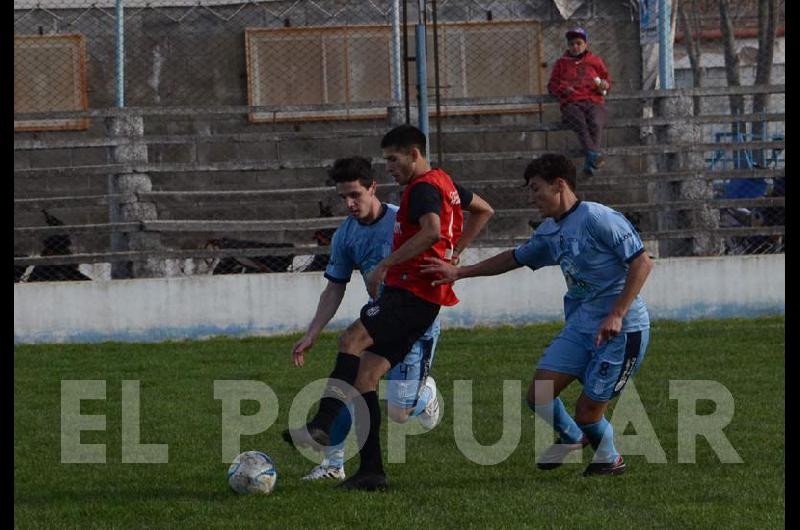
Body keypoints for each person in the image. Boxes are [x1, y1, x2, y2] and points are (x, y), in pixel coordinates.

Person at [283, 126, 493, 491]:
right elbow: (483, 209)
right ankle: (370, 471)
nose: (390, 167)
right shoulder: (438, 185)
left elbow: (430, 230)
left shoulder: (419, 193)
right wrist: (455, 252)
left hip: (411, 298)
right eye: (342, 197)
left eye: (393, 160)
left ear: (413, 154)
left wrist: (386, 265)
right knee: (363, 378)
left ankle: (325, 422)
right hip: (405, 301)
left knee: (352, 343)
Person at [422, 153, 653, 477]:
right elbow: (515, 258)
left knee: (587, 412)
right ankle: (572, 437)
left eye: (535, 189)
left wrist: (616, 313)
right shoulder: (549, 231)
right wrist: (460, 272)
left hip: (622, 329)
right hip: (581, 325)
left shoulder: (599, 218)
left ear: (559, 185)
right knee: (539, 394)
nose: (531, 198)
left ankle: (609, 459)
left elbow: (642, 262)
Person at [547, 27, 612, 176]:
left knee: (596, 122)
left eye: (579, 43)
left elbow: (607, 82)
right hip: (571, 104)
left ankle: (590, 160)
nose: (575, 47)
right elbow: (552, 86)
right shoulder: (561, 64)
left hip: (593, 102)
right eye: (572, 44)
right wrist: (563, 89)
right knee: (579, 122)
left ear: (585, 44)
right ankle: (594, 157)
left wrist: (605, 85)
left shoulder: (595, 62)